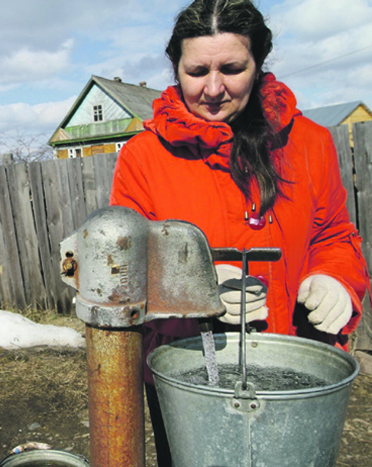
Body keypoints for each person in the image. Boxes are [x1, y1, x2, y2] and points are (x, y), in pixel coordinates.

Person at [109, 0, 370, 465]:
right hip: (188, 367)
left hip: (292, 363)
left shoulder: (308, 142)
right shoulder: (143, 157)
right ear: (176, 68)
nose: (213, 88)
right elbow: (125, 266)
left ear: (258, 64)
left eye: (231, 68)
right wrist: (193, 286)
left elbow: (332, 234)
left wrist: (337, 277)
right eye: (197, 71)